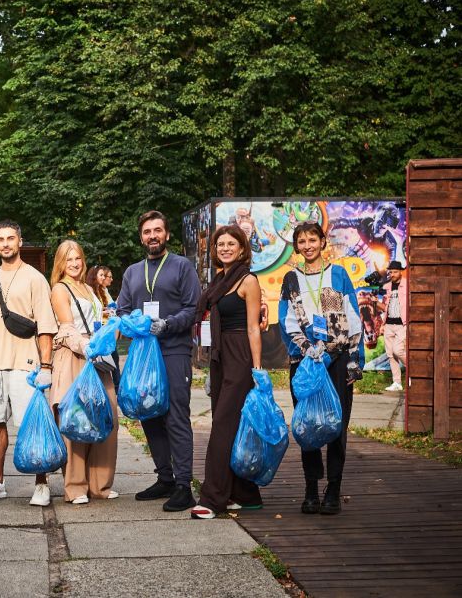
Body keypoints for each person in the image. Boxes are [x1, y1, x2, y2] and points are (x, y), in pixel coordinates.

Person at [116, 210, 200, 511]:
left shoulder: (182, 266)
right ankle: (165, 478)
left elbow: (193, 307)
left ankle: (184, 485)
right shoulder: (132, 272)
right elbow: (122, 309)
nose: (153, 236)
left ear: (166, 234)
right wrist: (132, 323)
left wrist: (167, 324)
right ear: (141, 237)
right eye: (147, 232)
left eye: (157, 230)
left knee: (175, 416)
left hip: (174, 349)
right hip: (143, 353)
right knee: (148, 413)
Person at [279, 221, 364, 515]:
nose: (308, 246)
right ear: (296, 246)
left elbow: (353, 318)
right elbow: (286, 320)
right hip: (305, 364)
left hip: (337, 361)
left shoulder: (338, 275)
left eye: (312, 239)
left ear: (322, 241)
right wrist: (307, 349)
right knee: (309, 425)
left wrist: (353, 361)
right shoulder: (291, 278)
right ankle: (311, 489)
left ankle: (334, 489)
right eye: (302, 241)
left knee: (337, 424)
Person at [0, 220, 58, 507]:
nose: (6, 243)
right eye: (0, 239)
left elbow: (45, 326)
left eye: (10, 238)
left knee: (31, 425)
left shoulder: (35, 278)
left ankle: (41, 483)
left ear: (20, 241)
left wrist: (46, 366)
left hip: (26, 363)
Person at [189, 225, 264, 519]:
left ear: (242, 248)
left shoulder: (248, 280)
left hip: (240, 356)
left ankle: (212, 499)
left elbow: (253, 327)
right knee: (232, 425)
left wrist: (257, 369)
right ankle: (244, 494)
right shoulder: (219, 280)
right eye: (220, 244)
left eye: (231, 244)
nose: (225, 248)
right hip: (220, 357)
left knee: (222, 425)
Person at [50, 241, 119, 503]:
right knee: (76, 418)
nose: (74, 263)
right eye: (68, 259)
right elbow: (66, 328)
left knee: (106, 415)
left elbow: (98, 321)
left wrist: (111, 329)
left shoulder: (89, 288)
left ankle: (100, 485)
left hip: (97, 357)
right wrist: (86, 346)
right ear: (60, 263)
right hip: (75, 356)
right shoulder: (59, 289)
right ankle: (76, 487)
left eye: (77, 258)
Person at [381, 261, 407, 392]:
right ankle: (397, 382)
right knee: (391, 354)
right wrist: (382, 324)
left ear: (400, 272)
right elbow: (385, 306)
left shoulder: (407, 285)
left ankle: (414, 371)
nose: (392, 274)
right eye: (390, 272)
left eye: (395, 272)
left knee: (398, 350)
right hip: (389, 324)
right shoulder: (387, 287)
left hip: (402, 324)